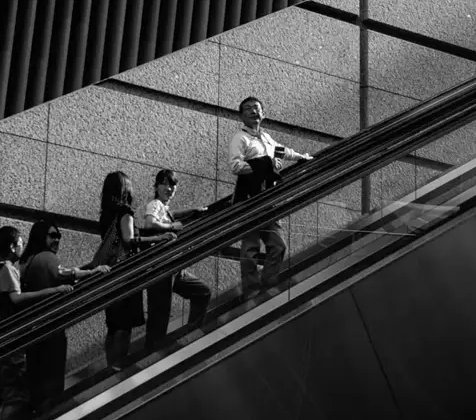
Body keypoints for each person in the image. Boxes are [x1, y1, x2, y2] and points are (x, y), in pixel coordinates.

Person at [0, 226, 75, 420]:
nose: (22, 245)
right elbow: (16, 299)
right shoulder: (7, 268)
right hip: (7, 338)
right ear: (12, 246)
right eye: (20, 242)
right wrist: (53, 291)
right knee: (17, 395)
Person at [20, 221, 108, 413]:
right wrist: (92, 271)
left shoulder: (27, 261)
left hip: (33, 330)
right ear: (40, 236)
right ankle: (49, 418)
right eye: (52, 235)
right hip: (50, 328)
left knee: (37, 378)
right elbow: (65, 273)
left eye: (59, 236)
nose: (57, 240)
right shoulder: (46, 257)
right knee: (51, 377)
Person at [229, 97, 313, 294]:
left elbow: (284, 152)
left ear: (263, 114)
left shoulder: (266, 138)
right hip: (249, 197)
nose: (253, 112)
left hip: (268, 197)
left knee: (278, 245)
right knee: (250, 246)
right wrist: (264, 165)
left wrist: (302, 158)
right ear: (241, 116)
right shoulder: (240, 138)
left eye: (257, 108)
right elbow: (235, 166)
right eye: (248, 109)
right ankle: (251, 290)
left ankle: (267, 286)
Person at [92, 171, 175, 370]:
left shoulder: (106, 214)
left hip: (109, 272)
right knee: (124, 324)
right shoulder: (125, 212)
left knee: (112, 324)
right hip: (125, 273)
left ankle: (110, 367)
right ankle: (118, 366)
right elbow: (129, 240)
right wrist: (158, 238)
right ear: (125, 189)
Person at [141, 169, 213, 347]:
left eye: (172, 184)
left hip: (172, 267)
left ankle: (189, 334)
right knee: (159, 317)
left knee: (202, 292)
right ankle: (151, 357)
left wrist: (192, 211)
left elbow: (172, 214)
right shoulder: (155, 204)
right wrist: (173, 227)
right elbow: (149, 223)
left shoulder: (163, 208)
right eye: (164, 184)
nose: (169, 188)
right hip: (162, 267)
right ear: (156, 186)